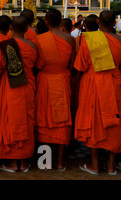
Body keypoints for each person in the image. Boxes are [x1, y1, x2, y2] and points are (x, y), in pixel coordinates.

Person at [74, 10, 121, 175]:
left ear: (99, 22)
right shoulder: (120, 40)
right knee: (115, 123)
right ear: (114, 23)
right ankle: (111, 165)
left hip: (93, 83)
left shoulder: (90, 40)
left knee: (94, 122)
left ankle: (95, 165)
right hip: (114, 84)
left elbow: (81, 65)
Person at [0, 16, 37, 172]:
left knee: (9, 119)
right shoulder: (33, 45)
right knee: (26, 119)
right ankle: (23, 162)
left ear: (11, 27)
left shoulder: (4, 46)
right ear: (26, 29)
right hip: (28, 86)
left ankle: (12, 162)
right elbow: (37, 65)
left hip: (9, 86)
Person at [35, 9, 75, 170]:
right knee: (63, 119)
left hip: (45, 79)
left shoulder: (39, 39)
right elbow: (72, 65)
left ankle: (46, 160)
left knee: (45, 118)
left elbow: (37, 64)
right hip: (63, 79)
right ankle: (59, 161)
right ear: (61, 21)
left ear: (46, 22)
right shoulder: (70, 39)